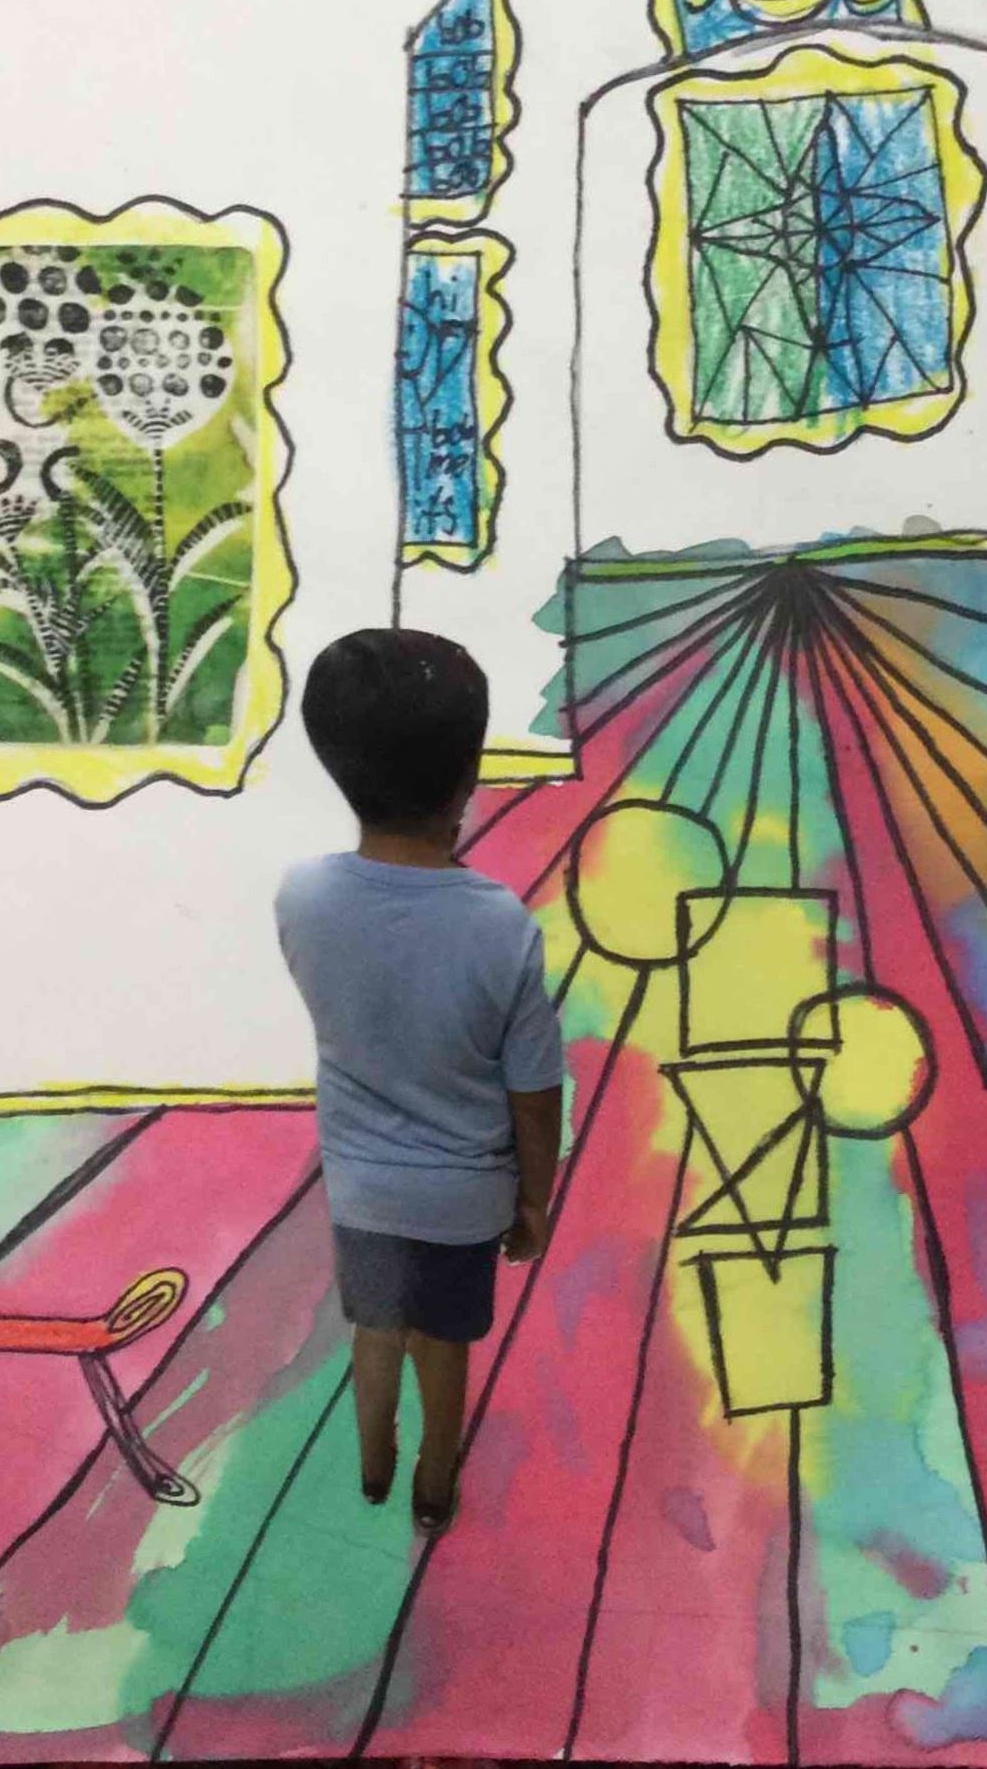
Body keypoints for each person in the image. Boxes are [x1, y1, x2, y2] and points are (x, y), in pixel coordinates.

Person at [277, 627, 564, 1534]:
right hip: (463, 1200)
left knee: (376, 1330)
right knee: (443, 1345)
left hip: (362, 1188)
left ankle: (373, 1465)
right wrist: (533, 1201)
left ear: (335, 765)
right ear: (468, 778)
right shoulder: (501, 926)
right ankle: (434, 1483)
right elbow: (534, 1097)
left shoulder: (302, 897)